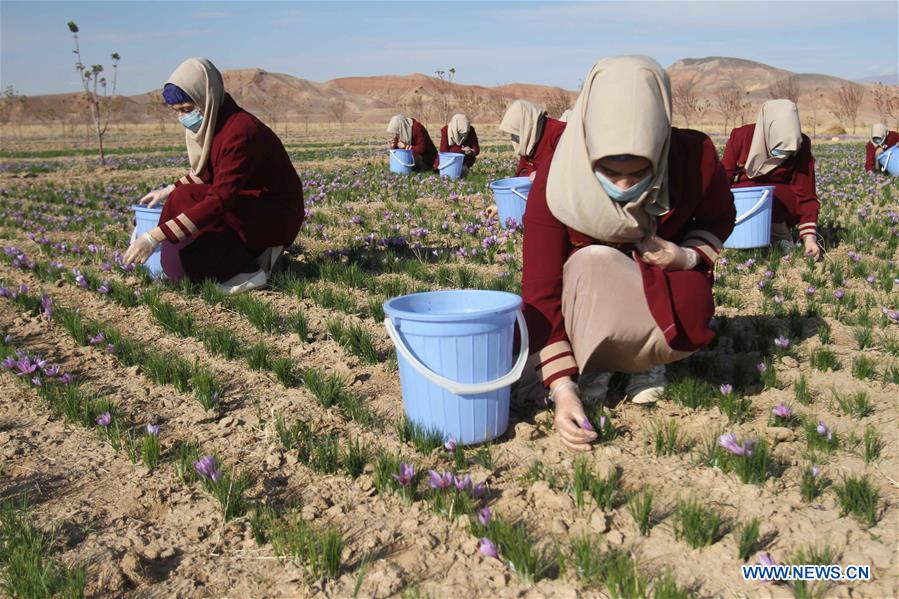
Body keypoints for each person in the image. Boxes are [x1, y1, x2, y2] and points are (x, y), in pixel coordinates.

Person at [519, 56, 735, 452]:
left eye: (638, 174)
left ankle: (647, 361)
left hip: (655, 286)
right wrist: (563, 389)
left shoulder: (692, 157)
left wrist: (684, 256)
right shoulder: (559, 178)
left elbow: (719, 217)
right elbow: (540, 289)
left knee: (692, 298)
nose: (623, 186)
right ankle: (593, 365)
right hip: (584, 299)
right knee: (593, 261)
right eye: (609, 172)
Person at [123, 58, 303, 293]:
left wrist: (154, 237)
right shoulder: (218, 122)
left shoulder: (239, 132)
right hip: (247, 204)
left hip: (274, 215)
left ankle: (248, 272)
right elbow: (208, 173)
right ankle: (236, 258)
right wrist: (167, 190)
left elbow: (219, 199)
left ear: (206, 98)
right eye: (177, 111)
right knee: (181, 197)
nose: (182, 118)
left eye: (187, 109)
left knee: (182, 253)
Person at [721, 100, 820, 259]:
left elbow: (806, 194)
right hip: (745, 204)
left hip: (781, 204)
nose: (782, 155)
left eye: (788, 151)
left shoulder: (801, 144)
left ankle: (780, 236)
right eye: (778, 148)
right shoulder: (742, 137)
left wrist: (810, 239)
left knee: (776, 195)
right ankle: (738, 237)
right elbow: (723, 179)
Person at [500, 100, 566, 181]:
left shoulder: (560, 132)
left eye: (516, 133)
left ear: (526, 124)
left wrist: (541, 173)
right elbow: (523, 170)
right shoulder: (529, 137)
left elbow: (566, 166)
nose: (514, 138)